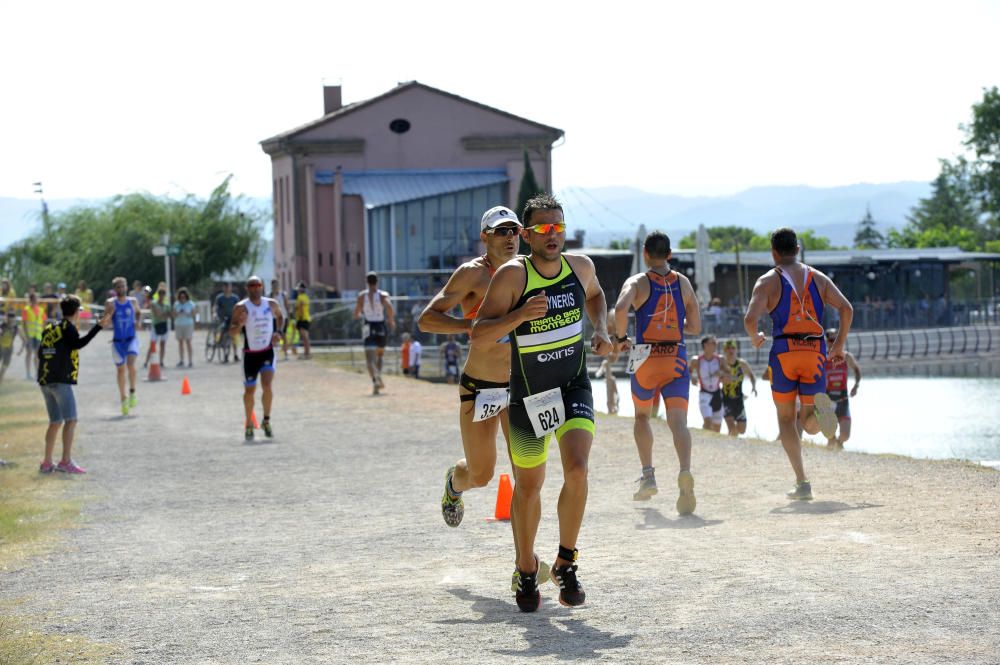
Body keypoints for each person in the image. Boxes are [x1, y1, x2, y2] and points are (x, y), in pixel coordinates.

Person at [473, 194, 612, 612]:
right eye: (542, 229)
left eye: (558, 227)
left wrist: (601, 328)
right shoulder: (513, 277)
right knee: (529, 487)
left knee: (578, 468)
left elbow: (596, 295)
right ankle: (526, 568)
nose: (552, 235)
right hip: (529, 395)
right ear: (527, 234)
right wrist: (519, 316)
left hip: (573, 387)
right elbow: (479, 332)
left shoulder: (580, 267)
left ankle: (567, 561)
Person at [417, 205, 522, 532]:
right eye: (501, 231)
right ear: (484, 237)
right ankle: (454, 484)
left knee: (526, 473)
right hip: (481, 386)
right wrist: (469, 326)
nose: (509, 238)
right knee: (481, 473)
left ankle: (526, 561)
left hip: (520, 385)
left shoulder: (527, 271)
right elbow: (427, 319)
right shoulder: (472, 274)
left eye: (514, 231)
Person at [744, 227, 853, 500]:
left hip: (784, 352)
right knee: (807, 420)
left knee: (785, 419)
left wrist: (755, 336)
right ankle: (819, 415)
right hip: (815, 351)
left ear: (774, 253)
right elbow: (846, 308)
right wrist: (838, 344)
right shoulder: (818, 279)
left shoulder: (767, 281)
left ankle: (802, 482)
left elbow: (749, 319)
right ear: (798, 249)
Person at [613, 231, 701, 511]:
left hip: (645, 356)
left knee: (641, 416)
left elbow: (620, 308)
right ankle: (684, 470)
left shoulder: (637, 281)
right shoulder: (683, 283)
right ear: (670, 254)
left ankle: (648, 474)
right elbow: (696, 327)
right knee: (679, 423)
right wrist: (678, 329)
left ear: (645, 254)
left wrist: (620, 338)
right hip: (675, 354)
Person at [36, 295, 112, 474]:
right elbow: (78, 344)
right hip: (60, 381)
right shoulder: (68, 328)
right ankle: (65, 461)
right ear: (76, 311)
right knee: (71, 420)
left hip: (45, 380)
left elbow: (40, 352)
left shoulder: (50, 327)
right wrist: (98, 327)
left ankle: (47, 462)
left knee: (55, 421)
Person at [229, 276, 284, 440]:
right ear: (247, 288)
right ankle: (249, 423)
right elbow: (231, 332)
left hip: (267, 351)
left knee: (267, 385)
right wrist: (240, 324)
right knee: (249, 391)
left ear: (262, 286)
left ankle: (266, 421)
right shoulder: (240, 308)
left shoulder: (271, 304)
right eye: (251, 285)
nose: (255, 288)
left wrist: (278, 332)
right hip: (250, 354)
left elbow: (280, 317)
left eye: (257, 285)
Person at [105, 276, 142, 415]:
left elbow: (138, 313)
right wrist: (108, 316)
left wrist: (138, 321)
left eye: (123, 286)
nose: (121, 289)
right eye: (118, 287)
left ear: (127, 287)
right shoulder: (110, 303)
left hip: (131, 339)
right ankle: (123, 398)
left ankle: (132, 391)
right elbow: (106, 322)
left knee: (131, 364)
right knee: (121, 370)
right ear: (115, 289)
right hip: (118, 342)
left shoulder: (133, 302)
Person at [353, 273, 396, 394]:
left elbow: (356, 313)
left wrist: (358, 315)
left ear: (367, 282)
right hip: (380, 325)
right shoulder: (383, 295)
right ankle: (378, 377)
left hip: (368, 325)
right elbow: (389, 307)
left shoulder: (362, 296)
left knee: (369, 359)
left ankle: (375, 380)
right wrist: (391, 320)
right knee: (380, 355)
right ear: (377, 282)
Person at [823, 328, 861, 448]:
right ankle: (831, 453)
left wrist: (856, 386)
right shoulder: (823, 358)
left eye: (836, 339)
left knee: (845, 435)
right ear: (827, 341)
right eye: (831, 339)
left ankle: (839, 444)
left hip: (843, 400)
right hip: (827, 401)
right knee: (830, 436)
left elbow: (856, 370)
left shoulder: (846, 357)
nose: (834, 342)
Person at [720, 339, 758, 437]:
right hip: (725, 399)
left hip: (739, 400)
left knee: (742, 429)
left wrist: (754, 387)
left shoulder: (742, 364)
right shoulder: (722, 364)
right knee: (731, 427)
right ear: (725, 350)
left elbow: (752, 375)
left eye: (733, 348)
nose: (731, 350)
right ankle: (731, 444)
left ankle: (729, 439)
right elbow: (716, 378)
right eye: (728, 348)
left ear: (736, 350)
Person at [689, 335, 723, 432]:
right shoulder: (697, 360)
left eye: (715, 343)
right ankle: (703, 441)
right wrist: (692, 378)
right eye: (713, 343)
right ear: (705, 345)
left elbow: (729, 373)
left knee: (717, 428)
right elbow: (688, 372)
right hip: (704, 393)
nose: (715, 345)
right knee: (707, 422)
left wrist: (722, 374)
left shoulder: (720, 359)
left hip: (717, 394)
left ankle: (714, 445)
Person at [595, 309, 621, 415]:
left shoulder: (616, 335)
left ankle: (613, 406)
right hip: (607, 362)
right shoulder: (607, 332)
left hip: (609, 362)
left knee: (611, 383)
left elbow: (615, 356)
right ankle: (611, 407)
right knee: (609, 383)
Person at [144, 283, 170, 369]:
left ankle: (161, 361)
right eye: (160, 293)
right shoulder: (154, 302)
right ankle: (146, 362)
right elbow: (157, 313)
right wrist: (164, 314)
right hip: (156, 325)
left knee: (163, 344)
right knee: (152, 344)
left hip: (164, 324)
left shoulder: (166, 304)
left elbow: (171, 314)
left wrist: (164, 314)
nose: (162, 295)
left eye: (163, 293)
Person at [21, 292, 46, 380]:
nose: (36, 300)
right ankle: (27, 373)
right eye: (35, 299)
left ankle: (37, 373)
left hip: (38, 335)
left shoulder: (41, 309)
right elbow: (24, 323)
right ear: (31, 300)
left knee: (37, 355)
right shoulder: (26, 309)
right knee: (29, 353)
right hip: (30, 335)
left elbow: (43, 322)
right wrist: (25, 336)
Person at [215, 282, 241, 362]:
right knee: (223, 332)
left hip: (233, 318)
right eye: (225, 287)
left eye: (228, 287)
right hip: (223, 318)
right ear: (223, 288)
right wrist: (215, 314)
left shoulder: (235, 298)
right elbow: (216, 307)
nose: (226, 289)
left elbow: (239, 307)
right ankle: (224, 352)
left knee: (234, 335)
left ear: (231, 288)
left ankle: (235, 354)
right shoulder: (219, 298)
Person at [173, 287, 196, 368]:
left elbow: (194, 315)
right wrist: (179, 312)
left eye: (184, 297)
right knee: (180, 343)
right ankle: (181, 360)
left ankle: (190, 361)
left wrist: (187, 313)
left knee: (188, 342)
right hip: (179, 324)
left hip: (188, 324)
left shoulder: (191, 304)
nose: (182, 298)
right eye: (181, 297)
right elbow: (174, 315)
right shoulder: (176, 304)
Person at [294, 281, 312, 359]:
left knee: (305, 337)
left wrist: (300, 317)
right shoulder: (306, 297)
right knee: (305, 337)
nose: (298, 290)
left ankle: (307, 353)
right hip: (305, 318)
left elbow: (300, 307)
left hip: (303, 319)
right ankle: (306, 352)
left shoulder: (300, 297)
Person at [0, 310, 20, 383]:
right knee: (3, 368)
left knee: (4, 368)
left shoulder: (16, 328)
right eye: (9, 319)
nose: (11, 321)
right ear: (7, 318)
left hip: (8, 350)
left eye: (12, 319)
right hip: (1, 349)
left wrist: (21, 349)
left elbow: (24, 339)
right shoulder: (2, 326)